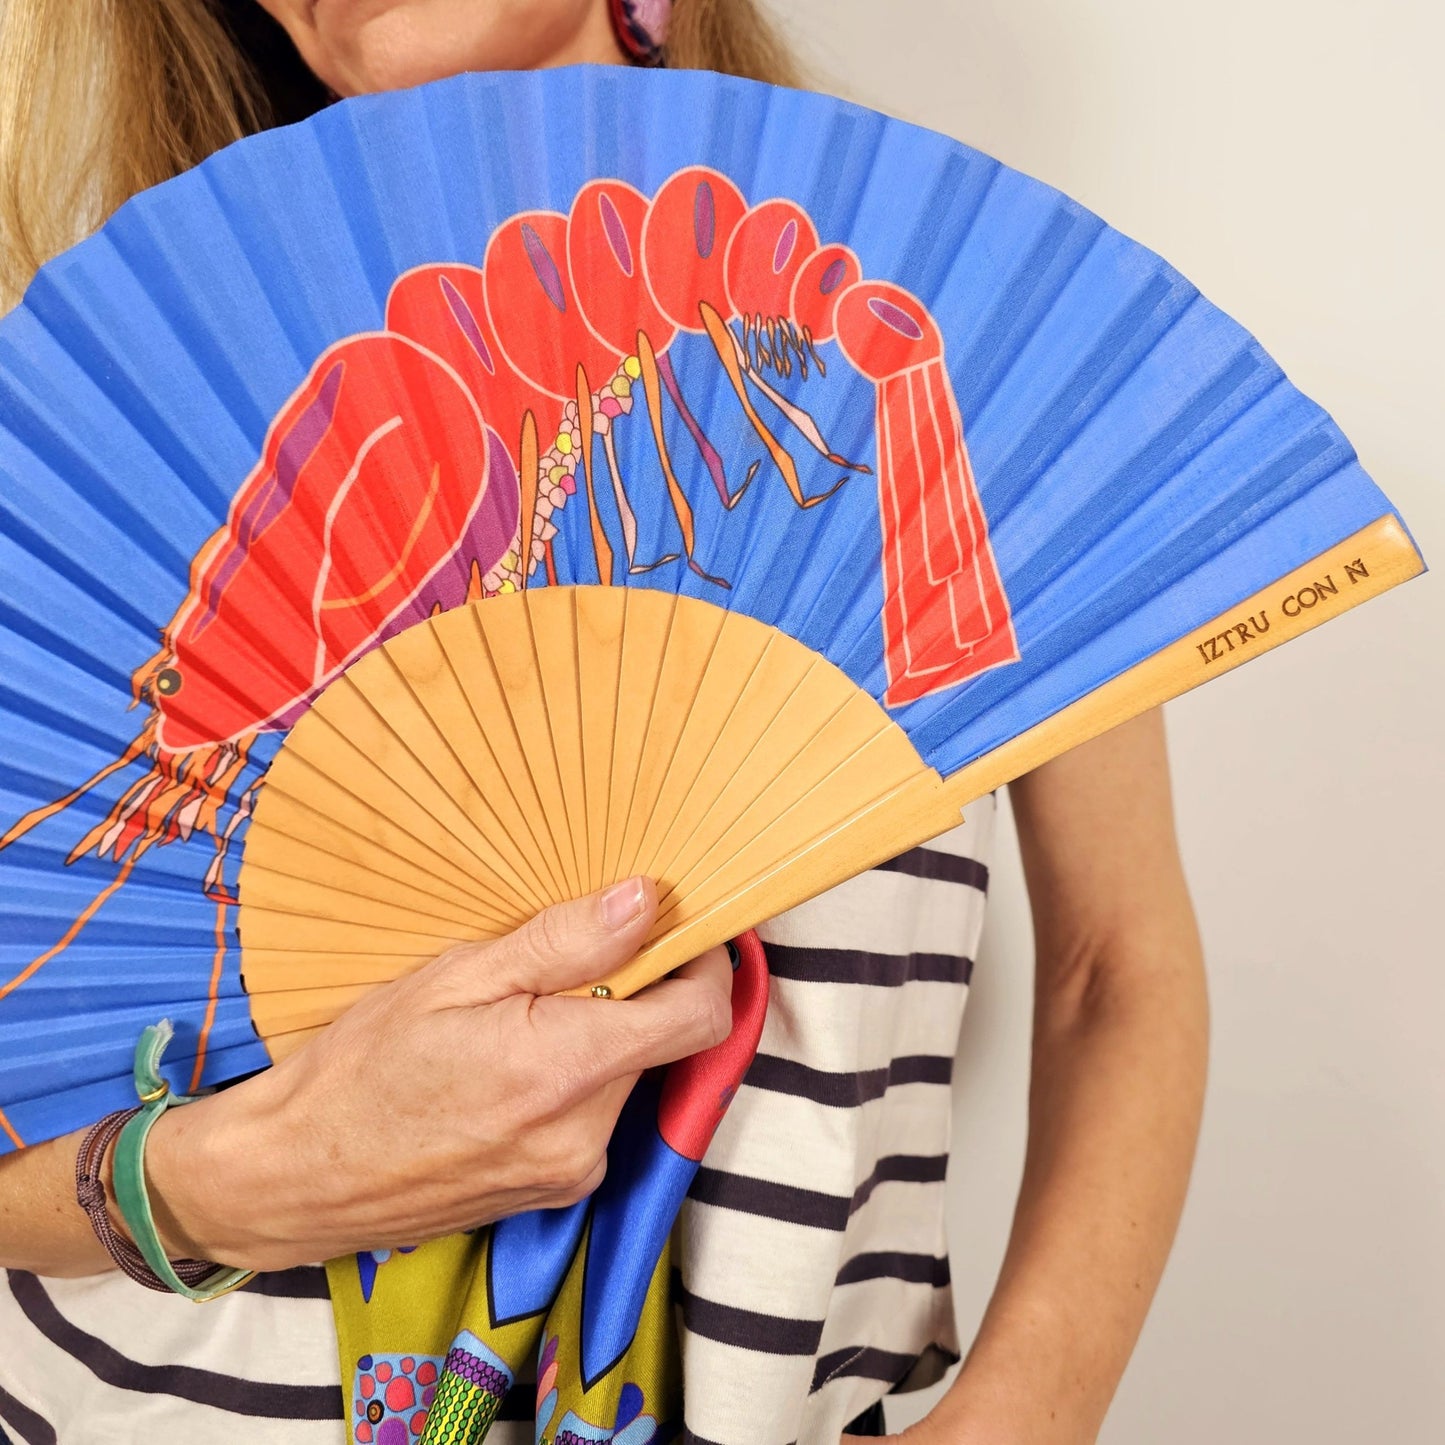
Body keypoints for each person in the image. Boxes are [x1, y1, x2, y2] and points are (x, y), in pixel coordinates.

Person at [0, 3, 1208, 1442]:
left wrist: (1022, 1416)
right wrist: (199, 1188)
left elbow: (1108, 966)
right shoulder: (130, 397)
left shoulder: (963, 320)